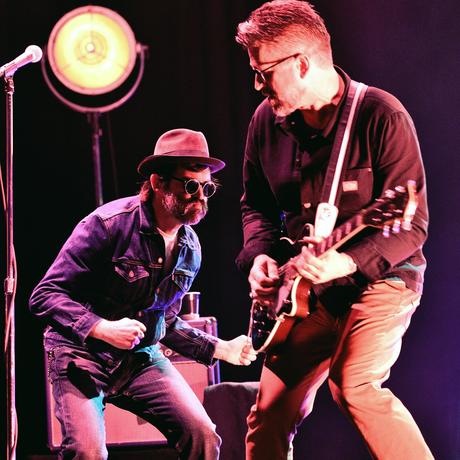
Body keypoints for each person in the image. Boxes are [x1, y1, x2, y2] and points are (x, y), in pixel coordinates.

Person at [235, 1, 433, 459]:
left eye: (263, 73)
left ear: (302, 64)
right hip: (305, 293)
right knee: (268, 413)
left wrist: (345, 261)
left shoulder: (381, 116)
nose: (257, 85)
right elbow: (256, 206)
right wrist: (260, 257)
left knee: (354, 383)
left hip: (381, 281)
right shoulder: (265, 122)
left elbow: (412, 226)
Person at [29, 128, 257, 460]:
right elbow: (45, 295)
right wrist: (100, 327)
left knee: (203, 434)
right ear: (157, 182)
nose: (200, 196)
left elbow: (164, 319)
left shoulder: (190, 249)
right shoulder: (108, 225)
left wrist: (220, 348)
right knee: (88, 452)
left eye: (207, 188)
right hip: (80, 354)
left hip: (138, 359)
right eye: (190, 186)